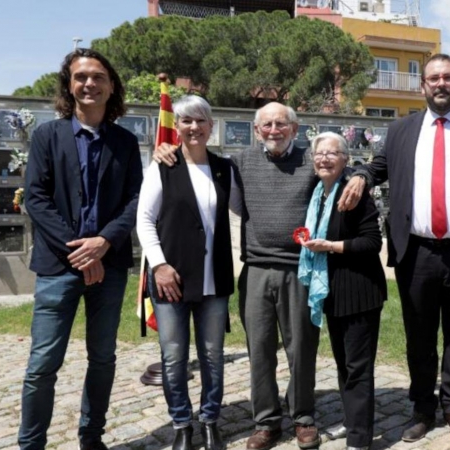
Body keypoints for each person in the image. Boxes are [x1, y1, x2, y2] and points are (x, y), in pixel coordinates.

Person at [338, 53, 450, 444]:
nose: (441, 84)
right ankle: (422, 407)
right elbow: (377, 167)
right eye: (433, 78)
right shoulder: (402, 129)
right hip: (416, 251)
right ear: (423, 86)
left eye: (448, 77)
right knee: (418, 334)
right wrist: (358, 176)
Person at [153, 102, 321, 450]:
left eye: (281, 124)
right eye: (266, 125)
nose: (273, 130)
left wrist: (361, 175)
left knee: (301, 348)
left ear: (295, 127)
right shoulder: (239, 164)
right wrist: (168, 149)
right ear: (257, 130)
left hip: (299, 269)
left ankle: (303, 417)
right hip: (256, 268)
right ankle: (266, 422)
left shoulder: (312, 161)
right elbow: (205, 174)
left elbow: (342, 170)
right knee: (259, 351)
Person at [19, 48, 143, 450]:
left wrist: (103, 243)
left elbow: (135, 200)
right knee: (42, 366)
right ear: (69, 85)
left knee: (103, 358)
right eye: (80, 77)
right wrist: (80, 251)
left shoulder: (125, 142)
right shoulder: (47, 136)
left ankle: (92, 438)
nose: (89, 83)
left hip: (110, 267)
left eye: (98, 77)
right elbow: (36, 199)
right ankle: (31, 444)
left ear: (111, 87)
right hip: (58, 267)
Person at [137, 95, 241, 450]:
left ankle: (210, 419)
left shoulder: (225, 167)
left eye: (201, 121)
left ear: (211, 126)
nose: (194, 127)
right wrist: (159, 264)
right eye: (186, 121)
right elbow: (145, 221)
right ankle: (182, 423)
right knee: (174, 356)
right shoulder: (161, 167)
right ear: (177, 127)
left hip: (214, 280)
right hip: (171, 280)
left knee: (213, 355)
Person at [297, 132, 387, 450]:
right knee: (342, 364)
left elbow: (372, 243)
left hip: (360, 292)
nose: (324, 158)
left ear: (345, 159)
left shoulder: (354, 193)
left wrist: (330, 246)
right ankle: (351, 422)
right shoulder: (318, 194)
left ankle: (360, 439)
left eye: (332, 153)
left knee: (358, 368)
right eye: (319, 153)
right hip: (333, 293)